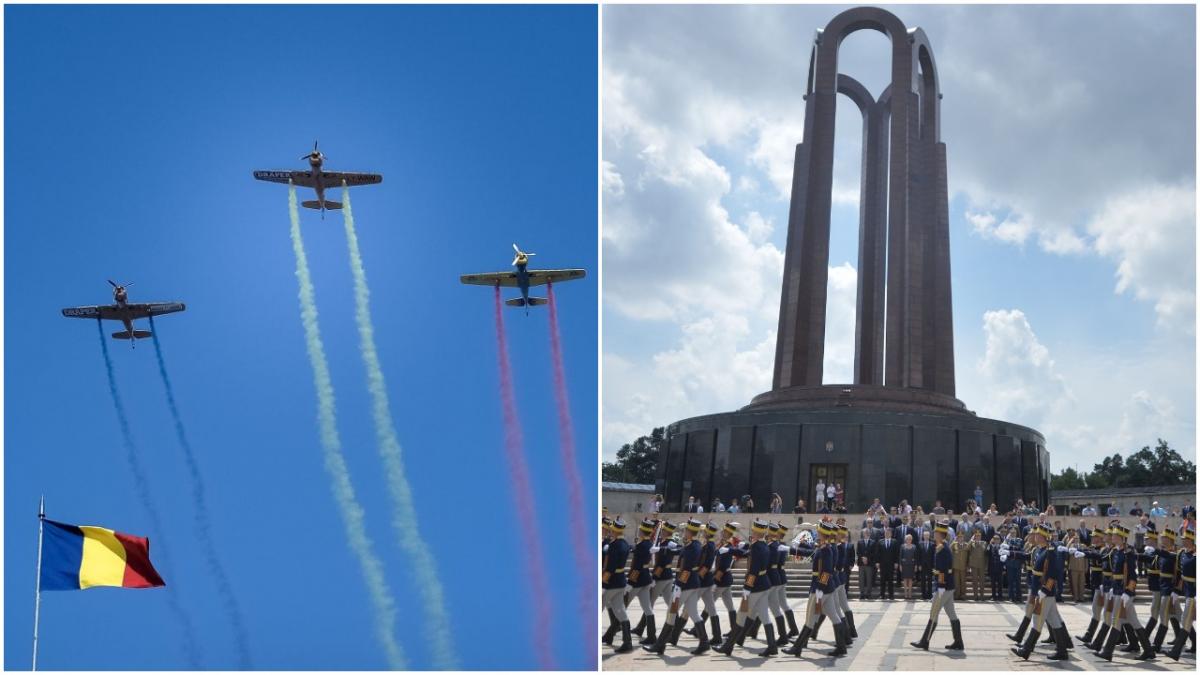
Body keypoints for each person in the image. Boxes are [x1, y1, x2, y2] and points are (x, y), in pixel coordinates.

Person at [782, 520, 849, 658]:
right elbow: (811, 553)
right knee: (834, 617)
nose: (817, 532)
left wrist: (819, 589)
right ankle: (842, 646)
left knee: (810, 619)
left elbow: (826, 572)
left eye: (818, 531)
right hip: (826, 588)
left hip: (820, 588)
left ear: (822, 533)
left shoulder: (826, 550)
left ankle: (797, 648)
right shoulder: (824, 547)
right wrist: (792, 549)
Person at [715, 519, 779, 658]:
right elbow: (746, 554)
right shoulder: (763, 546)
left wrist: (747, 587)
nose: (752, 532)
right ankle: (772, 646)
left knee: (741, 615)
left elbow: (753, 570)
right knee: (765, 617)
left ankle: (728, 647)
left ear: (756, 532)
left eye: (754, 530)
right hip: (764, 584)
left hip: (755, 586)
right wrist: (732, 549)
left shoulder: (756, 547)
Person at [644, 518, 704, 655]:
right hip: (692, 583)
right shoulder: (693, 545)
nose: (684, 532)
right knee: (694, 613)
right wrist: (662, 548)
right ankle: (704, 642)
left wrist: (679, 586)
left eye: (686, 530)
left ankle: (660, 645)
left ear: (690, 532)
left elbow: (687, 569)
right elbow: (677, 551)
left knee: (671, 612)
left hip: (686, 584)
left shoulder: (693, 547)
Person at [1011, 524, 1071, 661]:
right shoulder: (1041, 550)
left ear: (1043, 537)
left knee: (1037, 621)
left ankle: (1026, 650)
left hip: (1044, 592)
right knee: (1054, 620)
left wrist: (1044, 590)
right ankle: (1063, 651)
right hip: (1040, 590)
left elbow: (1054, 573)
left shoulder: (1050, 552)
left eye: (1037, 535)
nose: (1035, 537)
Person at [911, 521, 964, 651]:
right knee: (952, 614)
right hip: (948, 586)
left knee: (933, 613)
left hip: (943, 587)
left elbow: (942, 570)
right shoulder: (942, 546)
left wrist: (940, 586)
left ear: (940, 534)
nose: (934, 534)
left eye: (935, 532)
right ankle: (958, 642)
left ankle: (925, 641)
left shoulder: (942, 549)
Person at [602, 518, 634, 653]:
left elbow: (610, 567)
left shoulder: (614, 546)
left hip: (611, 582)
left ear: (614, 530)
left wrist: (603, 583)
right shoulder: (625, 544)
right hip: (621, 581)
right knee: (620, 611)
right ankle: (627, 642)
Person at [1164, 525, 1194, 661]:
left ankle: (1176, 652)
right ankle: (1179, 651)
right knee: (1186, 621)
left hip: (1194, 593)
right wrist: (1177, 590)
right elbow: (1182, 574)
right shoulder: (1182, 553)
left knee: (1186, 621)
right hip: (1188, 591)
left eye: (1185, 539)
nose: (1183, 541)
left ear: (1191, 540)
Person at [877, 527, 899, 600]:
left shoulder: (894, 542)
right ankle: (882, 595)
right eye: (886, 533)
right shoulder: (880, 542)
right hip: (882, 564)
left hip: (891, 564)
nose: (887, 534)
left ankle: (891, 595)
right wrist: (877, 562)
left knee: (890, 580)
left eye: (888, 533)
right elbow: (878, 553)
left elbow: (897, 553)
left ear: (891, 534)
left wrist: (896, 562)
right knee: (882, 580)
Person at [968, 530, 988, 602]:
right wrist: (971, 540)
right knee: (975, 581)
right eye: (976, 536)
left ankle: (982, 596)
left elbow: (984, 549)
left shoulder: (984, 543)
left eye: (979, 536)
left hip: (982, 565)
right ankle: (975, 596)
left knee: (982, 581)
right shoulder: (972, 543)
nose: (977, 537)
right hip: (974, 565)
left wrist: (978, 543)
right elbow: (967, 548)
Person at [856, 528, 876, 600]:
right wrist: (863, 558)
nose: (866, 533)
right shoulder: (859, 542)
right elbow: (858, 552)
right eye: (865, 532)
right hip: (861, 563)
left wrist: (867, 558)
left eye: (868, 532)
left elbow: (874, 553)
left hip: (869, 563)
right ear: (863, 534)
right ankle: (862, 593)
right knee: (861, 579)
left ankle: (868, 594)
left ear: (869, 534)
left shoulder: (873, 542)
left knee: (869, 579)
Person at [951, 532, 970, 601]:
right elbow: (949, 550)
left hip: (963, 566)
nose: (960, 539)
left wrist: (968, 565)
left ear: (963, 538)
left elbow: (969, 556)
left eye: (961, 537)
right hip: (956, 566)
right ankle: (957, 595)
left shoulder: (966, 545)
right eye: (959, 537)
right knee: (956, 582)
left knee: (963, 582)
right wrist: (954, 541)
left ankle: (963, 595)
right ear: (957, 538)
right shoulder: (954, 545)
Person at [918, 530, 935, 599]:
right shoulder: (920, 544)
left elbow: (934, 555)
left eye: (927, 535)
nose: (926, 537)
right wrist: (919, 565)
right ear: (923, 536)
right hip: (922, 565)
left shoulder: (932, 544)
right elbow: (918, 555)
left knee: (930, 580)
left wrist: (934, 565)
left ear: (929, 536)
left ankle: (929, 595)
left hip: (930, 565)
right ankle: (923, 595)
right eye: (925, 535)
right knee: (923, 581)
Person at [901, 534, 917, 600]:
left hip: (911, 565)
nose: (909, 540)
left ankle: (910, 593)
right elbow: (900, 556)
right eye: (907, 539)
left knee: (910, 579)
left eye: (910, 539)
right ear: (905, 539)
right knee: (905, 579)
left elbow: (916, 557)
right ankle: (905, 593)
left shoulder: (914, 546)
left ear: (911, 539)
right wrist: (900, 565)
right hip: (904, 565)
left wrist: (916, 565)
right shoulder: (902, 546)